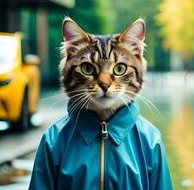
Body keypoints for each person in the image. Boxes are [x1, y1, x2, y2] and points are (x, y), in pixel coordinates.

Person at [29, 18, 173, 190]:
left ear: (138, 55)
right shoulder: (53, 140)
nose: (105, 83)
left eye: (119, 69)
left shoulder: (150, 140)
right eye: (88, 69)